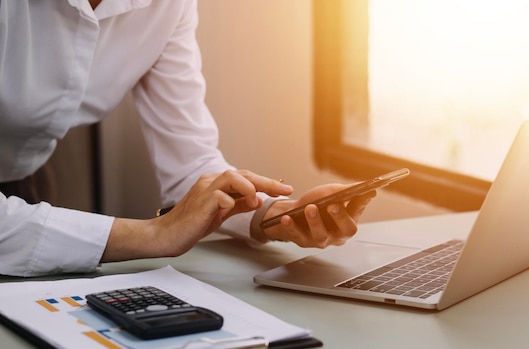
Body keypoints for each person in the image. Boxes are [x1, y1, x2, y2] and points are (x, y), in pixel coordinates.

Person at [0, 0, 375, 277]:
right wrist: (152, 234)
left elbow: (190, 164)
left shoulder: (169, 5)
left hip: (22, 186)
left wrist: (270, 213)